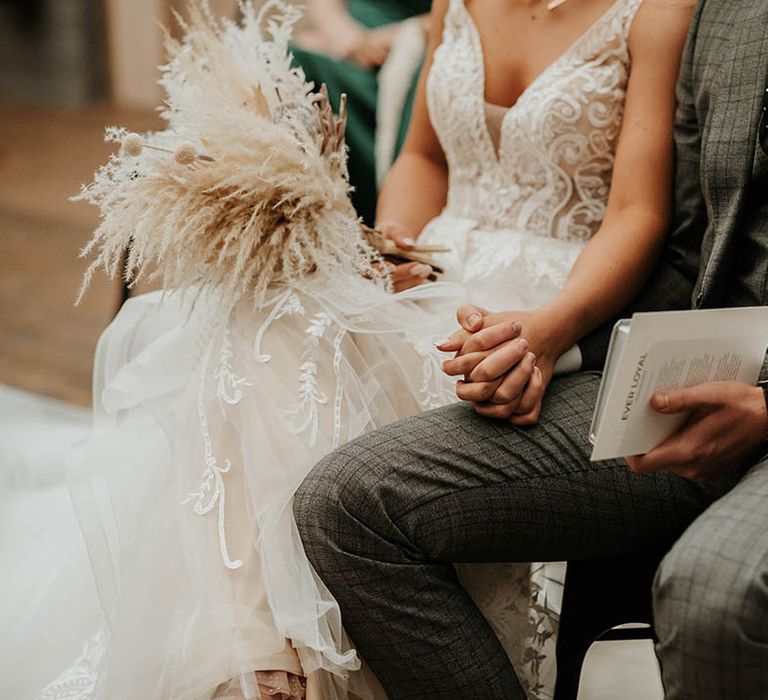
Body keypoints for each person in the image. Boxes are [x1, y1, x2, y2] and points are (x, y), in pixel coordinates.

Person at [4, 0, 694, 699]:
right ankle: (268, 662)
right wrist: (391, 244)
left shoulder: (655, 12)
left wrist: (548, 329)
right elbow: (423, 157)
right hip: (432, 268)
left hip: (543, 298)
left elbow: (639, 214)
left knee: (295, 350)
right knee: (262, 312)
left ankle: (278, 672)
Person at [294, 0, 768, 698]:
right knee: (339, 486)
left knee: (710, 594)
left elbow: (638, 213)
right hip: (682, 373)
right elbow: (689, 246)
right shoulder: (730, 14)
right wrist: (557, 346)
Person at [292, 0, 432, 225]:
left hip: (408, 51)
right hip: (342, 37)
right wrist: (339, 32)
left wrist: (388, 40)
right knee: (283, 59)